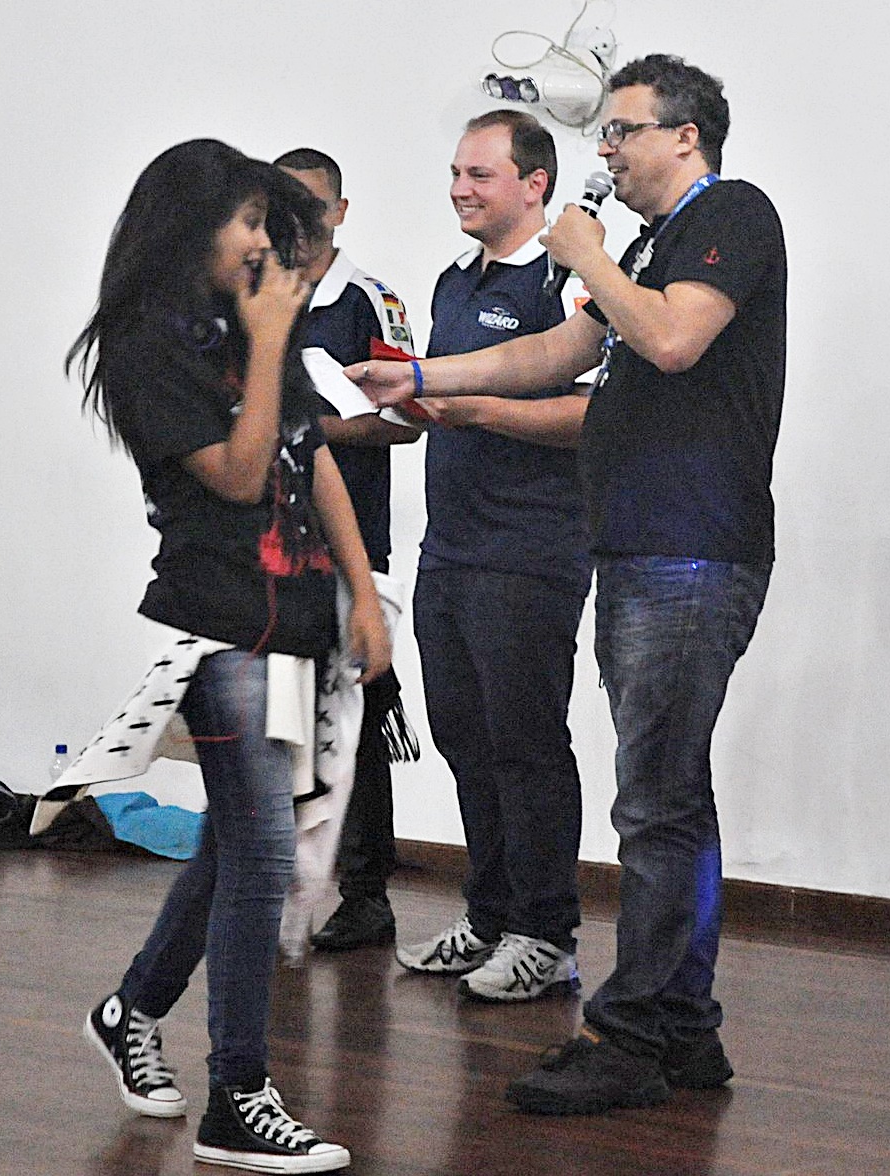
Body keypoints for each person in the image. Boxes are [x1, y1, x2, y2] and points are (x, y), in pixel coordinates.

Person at [352, 55, 786, 1114]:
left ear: (685, 137)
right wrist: (421, 376)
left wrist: (586, 253)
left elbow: (672, 341)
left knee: (654, 801)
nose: (608, 150)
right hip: (636, 547)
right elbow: (552, 352)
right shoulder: (642, 247)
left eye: (623, 131)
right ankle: (681, 1027)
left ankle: (631, 1035)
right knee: (668, 793)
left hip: (691, 548)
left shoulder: (731, 214)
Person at [66, 139, 390, 1173]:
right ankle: (236, 1097)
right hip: (219, 629)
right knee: (259, 853)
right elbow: (244, 476)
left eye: (264, 222)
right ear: (189, 227)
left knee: (235, 844)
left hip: (295, 618)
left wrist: (360, 594)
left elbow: (308, 455)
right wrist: (268, 337)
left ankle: (130, 1009)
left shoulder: (243, 327)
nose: (259, 241)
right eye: (245, 222)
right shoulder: (148, 347)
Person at [386, 110, 595, 1005]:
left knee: (525, 745)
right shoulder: (450, 282)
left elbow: (593, 415)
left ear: (534, 183)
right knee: (464, 739)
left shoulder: (568, 280)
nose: (459, 190)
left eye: (480, 175)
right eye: (454, 173)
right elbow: (436, 402)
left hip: (530, 550)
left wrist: (473, 410)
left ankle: (545, 936)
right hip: (450, 548)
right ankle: (490, 914)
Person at [272, 147, 421, 954]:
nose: (295, 218)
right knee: (275, 718)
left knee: (356, 718)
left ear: (339, 211)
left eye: (310, 202)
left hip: (352, 544)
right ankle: (276, 883)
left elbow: (405, 421)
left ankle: (365, 893)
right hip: (269, 546)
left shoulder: (369, 300)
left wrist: (308, 428)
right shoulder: (256, 290)